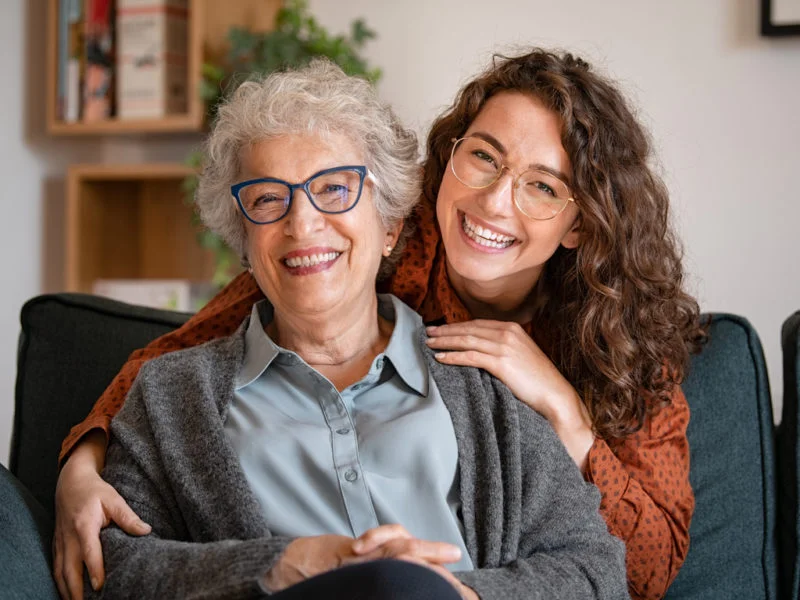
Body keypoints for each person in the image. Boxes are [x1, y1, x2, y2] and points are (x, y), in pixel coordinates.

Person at [55, 49, 702, 600]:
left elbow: (614, 570)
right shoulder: (183, 389)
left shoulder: (544, 378)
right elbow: (169, 366)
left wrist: (563, 413)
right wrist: (81, 461)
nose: (304, 225)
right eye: (484, 157)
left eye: (542, 185)